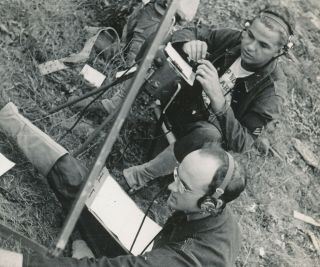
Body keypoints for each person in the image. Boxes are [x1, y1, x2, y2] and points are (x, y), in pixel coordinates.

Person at [0, 102, 246, 267]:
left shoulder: (189, 258)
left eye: (184, 187)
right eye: (176, 176)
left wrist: (14, 261)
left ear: (211, 204)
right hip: (149, 248)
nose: (171, 187)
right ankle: (10, 119)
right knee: (84, 188)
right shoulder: (214, 211)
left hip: (152, 257)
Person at [123, 5, 294, 191]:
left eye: (263, 45)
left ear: (279, 52)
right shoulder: (234, 38)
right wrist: (187, 44)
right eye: (250, 35)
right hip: (180, 101)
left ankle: (140, 176)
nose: (251, 47)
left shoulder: (271, 92)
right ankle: (118, 106)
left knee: (210, 134)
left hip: (200, 140)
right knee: (159, 46)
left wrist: (219, 101)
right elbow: (190, 31)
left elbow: (242, 143)